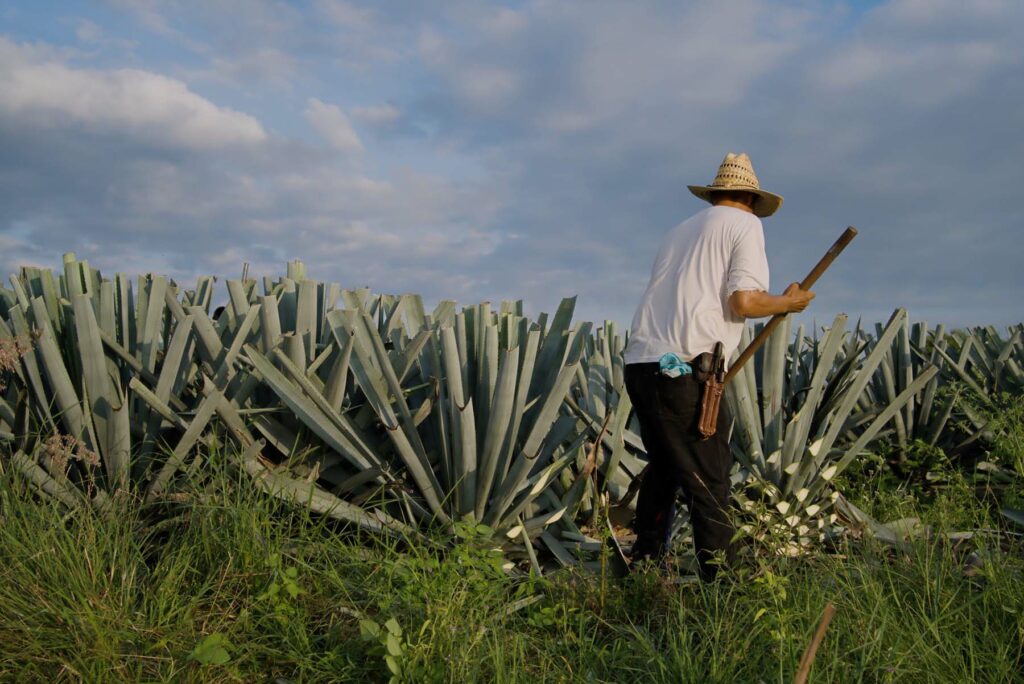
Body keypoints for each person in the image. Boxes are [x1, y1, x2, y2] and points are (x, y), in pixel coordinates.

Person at [623, 152, 814, 581]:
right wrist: (790, 303)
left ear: (716, 194)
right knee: (709, 481)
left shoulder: (678, 232)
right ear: (750, 197)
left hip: (641, 363)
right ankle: (723, 589)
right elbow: (743, 302)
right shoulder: (745, 225)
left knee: (666, 466)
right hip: (687, 368)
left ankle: (646, 566)